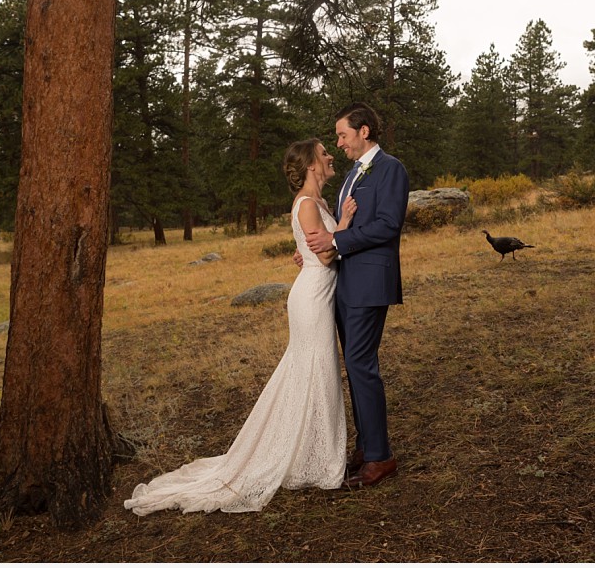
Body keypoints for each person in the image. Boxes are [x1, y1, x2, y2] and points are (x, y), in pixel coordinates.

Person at [124, 139, 356, 515]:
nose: (330, 156)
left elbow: (314, 248)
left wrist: (325, 237)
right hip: (311, 299)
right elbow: (327, 254)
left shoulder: (320, 204)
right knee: (313, 370)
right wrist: (344, 224)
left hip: (318, 294)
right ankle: (313, 461)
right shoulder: (309, 205)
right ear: (313, 164)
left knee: (315, 373)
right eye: (324, 152)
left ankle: (312, 456)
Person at [305, 102, 409, 488]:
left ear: (364, 131)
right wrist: (318, 249)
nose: (339, 142)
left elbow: (387, 226)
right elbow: (338, 226)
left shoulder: (391, 169)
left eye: (343, 135)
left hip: (370, 283)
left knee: (362, 364)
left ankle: (381, 457)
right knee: (355, 366)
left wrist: (337, 239)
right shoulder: (352, 175)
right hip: (344, 283)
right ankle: (366, 446)